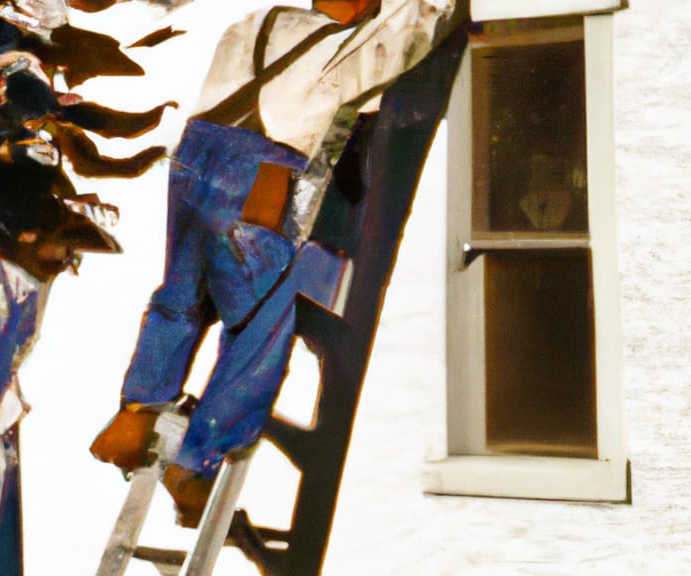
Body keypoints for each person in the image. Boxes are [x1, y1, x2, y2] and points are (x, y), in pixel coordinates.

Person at [90, 0, 452, 526]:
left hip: (194, 158)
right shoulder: (339, 47)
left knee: (179, 296)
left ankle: (136, 411)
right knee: (261, 328)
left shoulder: (255, 23)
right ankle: (198, 461)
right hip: (254, 178)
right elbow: (410, 34)